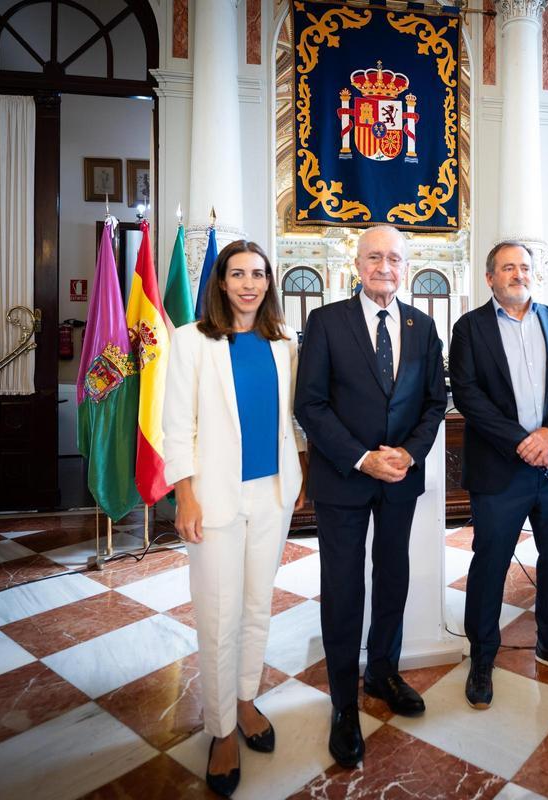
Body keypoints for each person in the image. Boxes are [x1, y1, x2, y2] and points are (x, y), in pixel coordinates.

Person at [294, 224, 447, 768]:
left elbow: (435, 402)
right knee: (341, 587)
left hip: (400, 478)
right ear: (356, 265)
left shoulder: (424, 326)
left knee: (392, 576)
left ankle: (382, 671)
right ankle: (342, 702)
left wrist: (407, 453)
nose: (385, 267)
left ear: (407, 266)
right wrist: (363, 457)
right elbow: (309, 405)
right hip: (345, 478)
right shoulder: (326, 322)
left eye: (395, 258)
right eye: (375, 257)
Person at [163, 240, 307, 797]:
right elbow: (177, 424)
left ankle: (246, 701)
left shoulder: (281, 342)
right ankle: (221, 727)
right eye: (238, 274)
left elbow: (290, 421)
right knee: (218, 613)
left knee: (256, 605)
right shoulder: (192, 340)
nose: (249, 283)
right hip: (215, 497)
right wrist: (186, 495)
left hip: (271, 494)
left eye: (259, 274)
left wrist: (295, 475)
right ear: (221, 282)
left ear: (268, 283)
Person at [448, 241, 548, 709]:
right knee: (490, 563)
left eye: (525, 267)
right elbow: (469, 395)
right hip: (499, 468)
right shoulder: (470, 328)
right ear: (489, 278)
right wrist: (521, 441)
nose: (518, 274)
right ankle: (483, 655)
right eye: (507, 267)